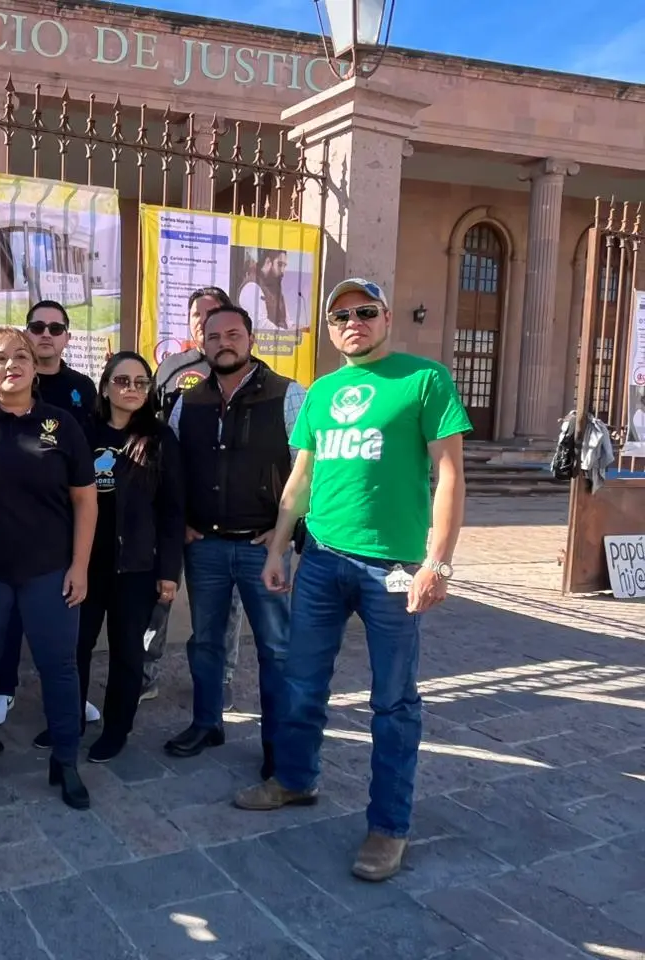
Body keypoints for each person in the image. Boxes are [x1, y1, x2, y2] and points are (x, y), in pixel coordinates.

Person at [235, 278, 471, 884]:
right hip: (322, 560)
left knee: (393, 702)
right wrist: (279, 547)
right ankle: (294, 780)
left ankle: (388, 827)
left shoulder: (424, 381)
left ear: (386, 317)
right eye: (340, 315)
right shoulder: (321, 393)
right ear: (330, 328)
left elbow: (449, 478)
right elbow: (301, 479)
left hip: (392, 568)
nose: (352, 322)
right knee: (302, 681)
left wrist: (437, 562)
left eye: (364, 312)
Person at [0, 326, 97, 809]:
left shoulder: (63, 425)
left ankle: (66, 762)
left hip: (49, 571)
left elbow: (85, 502)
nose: (12, 365)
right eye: (2, 357)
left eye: (22, 357)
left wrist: (80, 566)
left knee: (60, 668)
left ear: (35, 367)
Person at [165, 303, 304, 775]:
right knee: (205, 642)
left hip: (262, 548)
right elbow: (173, 469)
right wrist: (181, 520)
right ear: (201, 343)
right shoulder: (190, 400)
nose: (223, 343)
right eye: (213, 336)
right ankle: (207, 723)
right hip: (204, 546)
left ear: (250, 339)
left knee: (276, 649)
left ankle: (278, 744)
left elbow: (311, 470)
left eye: (233, 334)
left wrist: (290, 533)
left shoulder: (288, 395)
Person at [32, 351, 183, 762]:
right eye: (122, 381)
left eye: (140, 382)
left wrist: (169, 571)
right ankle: (70, 720)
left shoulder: (160, 439)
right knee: (74, 648)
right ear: (104, 387)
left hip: (136, 566)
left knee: (127, 653)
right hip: (84, 564)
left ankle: (117, 729)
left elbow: (172, 510)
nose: (131, 389)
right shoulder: (82, 431)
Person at [0, 300, 101, 729]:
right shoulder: (11, 382)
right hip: (12, 520)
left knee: (69, 608)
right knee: (9, 611)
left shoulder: (82, 387)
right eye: (38, 326)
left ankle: (71, 694)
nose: (47, 334)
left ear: (67, 338)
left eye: (57, 328)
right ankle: (3, 687)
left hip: (68, 512)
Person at [149, 286, 245, 709]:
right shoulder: (171, 368)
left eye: (213, 315)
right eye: (196, 315)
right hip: (172, 508)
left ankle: (219, 676)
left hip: (223, 516)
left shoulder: (244, 373)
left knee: (222, 607)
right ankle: (144, 672)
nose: (204, 322)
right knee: (158, 597)